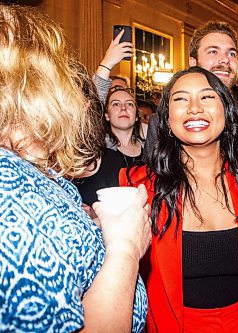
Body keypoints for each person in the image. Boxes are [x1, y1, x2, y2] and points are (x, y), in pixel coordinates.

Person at [0, 5, 150, 332]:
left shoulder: (26, 171)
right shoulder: (14, 200)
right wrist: (125, 247)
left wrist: (90, 223)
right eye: (62, 72)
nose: (75, 96)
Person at [120, 66, 238, 333]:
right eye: (180, 99)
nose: (194, 108)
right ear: (166, 117)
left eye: (207, 97)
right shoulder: (137, 187)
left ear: (226, 109)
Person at [144, 21, 238, 257]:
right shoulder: (163, 122)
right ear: (193, 62)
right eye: (213, 51)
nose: (225, 60)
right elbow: (153, 199)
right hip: (179, 255)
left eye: (231, 54)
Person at [75, 86, 145, 206]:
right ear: (106, 115)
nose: (123, 108)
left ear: (137, 115)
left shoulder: (151, 151)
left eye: (129, 104)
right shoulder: (94, 152)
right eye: (116, 104)